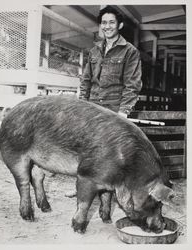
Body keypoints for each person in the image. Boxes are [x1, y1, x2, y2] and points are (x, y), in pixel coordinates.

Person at [65, 5, 142, 198]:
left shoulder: (130, 52)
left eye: (111, 22)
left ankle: (110, 191)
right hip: (91, 108)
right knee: (85, 148)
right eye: (104, 23)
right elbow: (86, 81)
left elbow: (132, 85)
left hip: (113, 110)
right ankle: (81, 186)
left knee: (110, 154)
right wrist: (81, 106)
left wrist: (123, 114)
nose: (107, 26)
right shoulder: (94, 51)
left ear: (120, 25)